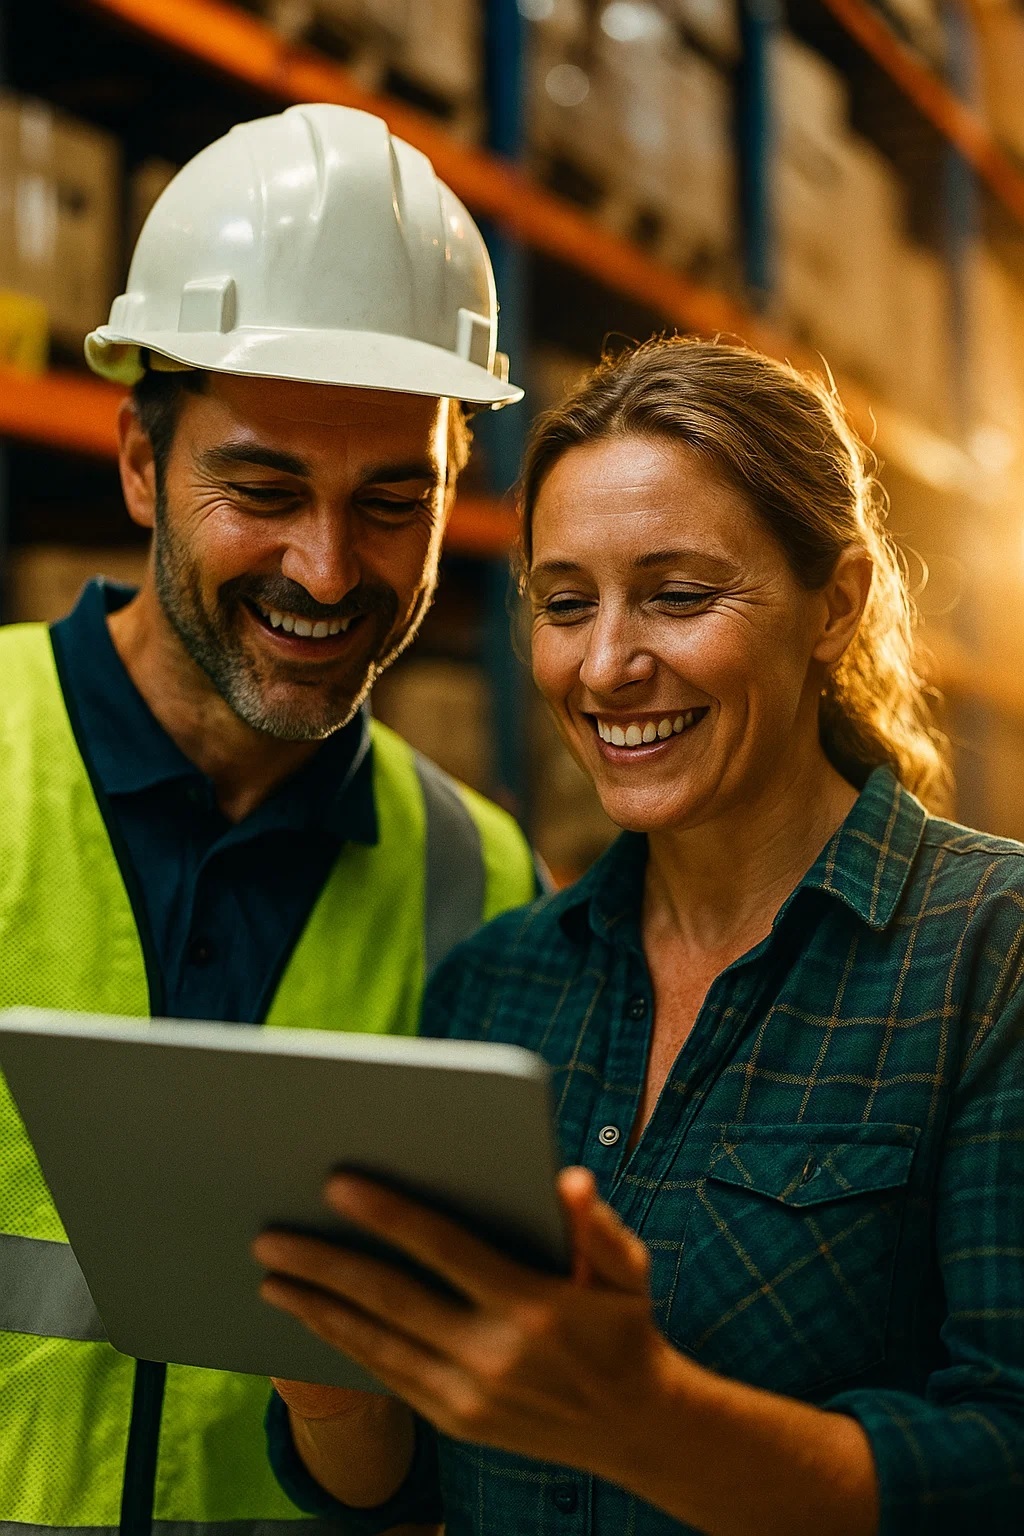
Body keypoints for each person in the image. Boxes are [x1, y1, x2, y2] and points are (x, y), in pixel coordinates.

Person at [254, 336, 1024, 1535]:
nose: (605, 666)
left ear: (835, 604)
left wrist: (643, 1415)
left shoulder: (988, 951)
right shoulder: (496, 987)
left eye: (677, 595)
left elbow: (1001, 1459)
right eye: (566, 604)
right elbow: (410, 1482)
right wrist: (333, 1382)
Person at [0, 103, 539, 1535]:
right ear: (138, 465)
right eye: (263, 487)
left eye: (390, 501)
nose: (326, 567)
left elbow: (432, 1454)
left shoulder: (483, 883)